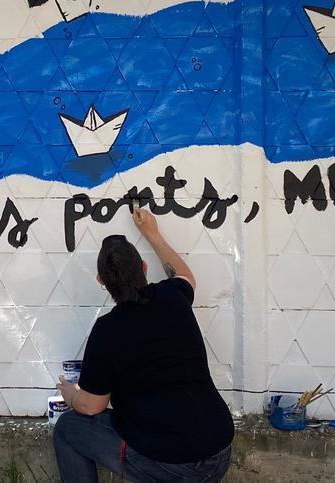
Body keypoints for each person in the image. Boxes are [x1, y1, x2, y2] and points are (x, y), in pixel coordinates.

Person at [53, 207, 234, 483]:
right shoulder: (174, 297)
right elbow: (185, 276)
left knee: (67, 428)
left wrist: (68, 393)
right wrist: (152, 233)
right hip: (219, 449)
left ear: (102, 281)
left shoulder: (107, 331)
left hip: (172, 465)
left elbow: (91, 406)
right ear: (144, 268)